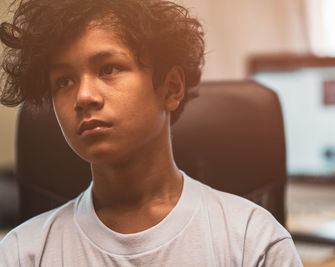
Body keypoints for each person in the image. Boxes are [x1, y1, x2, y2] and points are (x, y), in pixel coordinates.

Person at [0, 0, 303, 266]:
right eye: (64, 81)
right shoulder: (23, 254)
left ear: (171, 88)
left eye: (109, 69)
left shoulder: (254, 242)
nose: (84, 96)